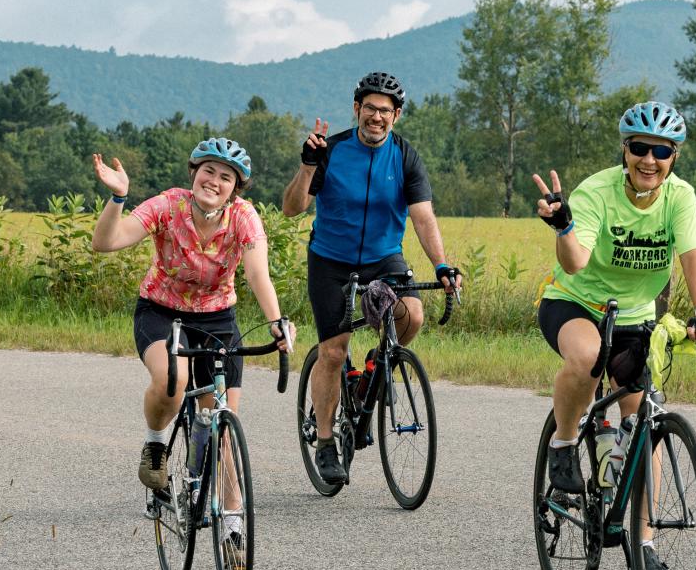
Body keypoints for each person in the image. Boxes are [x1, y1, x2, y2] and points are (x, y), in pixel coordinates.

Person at [532, 101, 696, 570]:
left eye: (662, 151)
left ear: (674, 156)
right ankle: (565, 443)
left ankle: (645, 543)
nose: (649, 160)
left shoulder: (679, 197)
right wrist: (563, 227)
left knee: (646, 421)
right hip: (574, 303)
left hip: (635, 316)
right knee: (588, 357)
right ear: (625, 150)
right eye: (640, 148)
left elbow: (693, 256)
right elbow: (574, 263)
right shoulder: (597, 190)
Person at [90, 137, 294, 543]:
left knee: (223, 424)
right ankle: (156, 445)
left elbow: (257, 274)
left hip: (217, 318)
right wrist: (118, 198)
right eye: (208, 171)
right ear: (193, 173)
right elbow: (105, 243)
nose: (215, 181)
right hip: (161, 311)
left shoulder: (244, 217)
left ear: (236, 187)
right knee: (172, 379)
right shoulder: (168, 205)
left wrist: (276, 321)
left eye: (226, 177)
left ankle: (233, 524)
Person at [281, 71, 461, 484]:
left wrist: (441, 265)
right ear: (357, 109)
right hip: (331, 260)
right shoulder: (332, 150)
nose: (376, 117)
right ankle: (326, 442)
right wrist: (308, 166)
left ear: (396, 115)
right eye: (370, 108)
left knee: (411, 316)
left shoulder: (405, 156)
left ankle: (368, 379)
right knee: (331, 352)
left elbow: (422, 216)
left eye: (385, 111)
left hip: (383, 259)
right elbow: (292, 207)